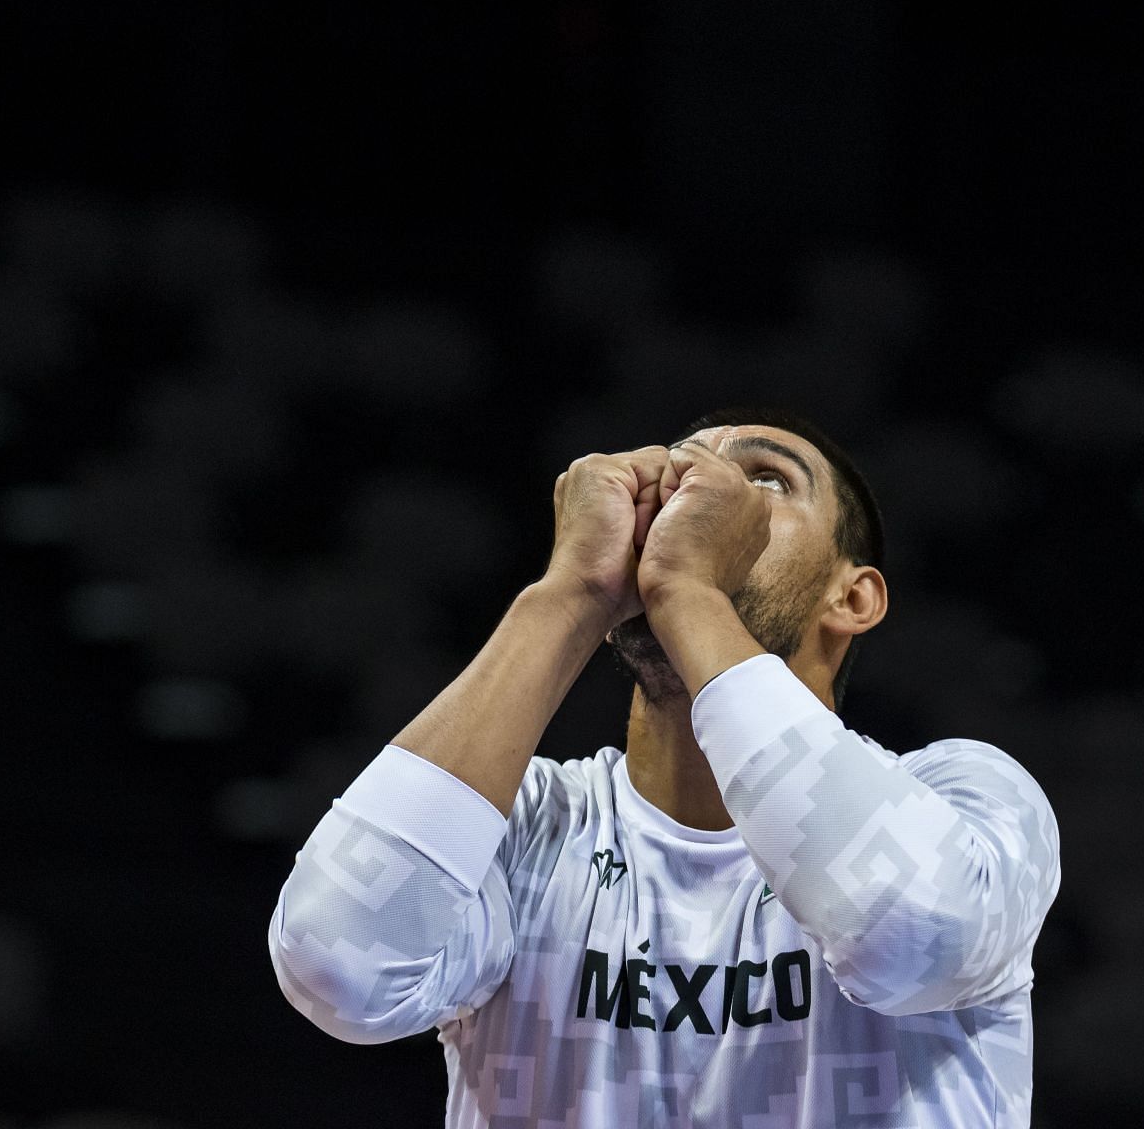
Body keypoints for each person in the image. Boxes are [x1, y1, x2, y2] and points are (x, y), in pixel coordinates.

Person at [268, 406, 1062, 1127]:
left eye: (766, 479)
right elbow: (338, 969)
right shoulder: (520, 824)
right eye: (678, 469)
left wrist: (689, 592)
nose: (695, 491)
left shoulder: (966, 796)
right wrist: (569, 593)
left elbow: (911, 941)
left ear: (851, 598)